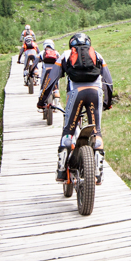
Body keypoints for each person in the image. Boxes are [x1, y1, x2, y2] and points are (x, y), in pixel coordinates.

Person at [39, 32, 113, 184]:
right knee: (96, 132)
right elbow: (109, 82)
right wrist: (108, 102)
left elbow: (50, 81)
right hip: (95, 94)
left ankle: (61, 171)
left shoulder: (65, 55)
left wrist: (42, 101)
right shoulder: (98, 55)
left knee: (68, 130)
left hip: (76, 94)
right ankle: (98, 174)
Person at [37, 39, 60, 111]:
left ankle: (41, 107)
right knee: (56, 87)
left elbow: (35, 62)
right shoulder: (56, 53)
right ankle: (56, 104)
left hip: (45, 73)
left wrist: (31, 71)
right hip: (55, 72)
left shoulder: (42, 53)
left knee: (42, 88)